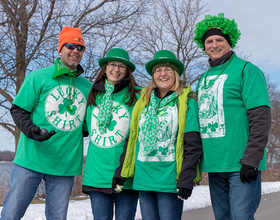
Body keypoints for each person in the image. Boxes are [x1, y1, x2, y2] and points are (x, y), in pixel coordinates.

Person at [0, 26, 92, 220]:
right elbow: (18, 109)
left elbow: (86, 126)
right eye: (70, 45)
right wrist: (32, 131)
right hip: (31, 160)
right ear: (60, 49)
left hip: (65, 165)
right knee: (10, 215)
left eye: (80, 47)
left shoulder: (87, 88)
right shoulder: (38, 77)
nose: (75, 50)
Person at [193, 13, 271, 220]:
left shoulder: (247, 70)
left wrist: (252, 159)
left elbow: (261, 117)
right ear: (204, 46)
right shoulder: (203, 78)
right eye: (209, 41)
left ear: (229, 42)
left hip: (241, 163)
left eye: (220, 40)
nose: (214, 44)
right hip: (214, 164)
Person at [114, 50, 203, 220]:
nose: (162, 74)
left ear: (175, 74)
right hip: (144, 177)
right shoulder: (143, 102)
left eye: (167, 69)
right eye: (157, 70)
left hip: (169, 179)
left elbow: (193, 144)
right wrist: (121, 171)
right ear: (153, 75)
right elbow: (132, 140)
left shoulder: (186, 102)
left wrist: (186, 177)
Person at [82, 48, 140, 220]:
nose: (116, 69)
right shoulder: (93, 95)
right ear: (105, 68)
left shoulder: (138, 95)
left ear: (127, 70)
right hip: (97, 174)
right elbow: (82, 128)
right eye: (112, 65)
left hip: (126, 174)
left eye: (121, 66)